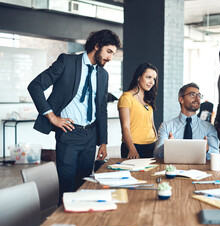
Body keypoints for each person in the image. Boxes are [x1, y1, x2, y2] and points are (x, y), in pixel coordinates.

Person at [28, 29, 121, 202]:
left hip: (90, 136)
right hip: (69, 134)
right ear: (97, 45)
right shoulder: (67, 62)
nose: (110, 58)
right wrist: (52, 116)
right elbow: (35, 86)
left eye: (113, 54)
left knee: (84, 186)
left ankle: (80, 225)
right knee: (67, 188)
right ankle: (61, 225)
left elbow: (101, 109)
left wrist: (103, 141)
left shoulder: (103, 74)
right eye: (108, 52)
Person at [153, 82, 219, 159]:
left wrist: (207, 149)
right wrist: (168, 146)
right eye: (192, 95)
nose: (197, 98)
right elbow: (156, 154)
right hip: (174, 169)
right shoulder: (166, 126)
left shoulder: (209, 128)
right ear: (181, 100)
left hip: (200, 170)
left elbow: (216, 154)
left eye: (199, 95)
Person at [118, 63, 158, 159]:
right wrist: (132, 148)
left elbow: (152, 124)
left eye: (154, 79)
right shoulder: (126, 97)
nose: (152, 82)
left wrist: (157, 143)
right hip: (133, 146)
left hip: (151, 145)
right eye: (148, 77)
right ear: (139, 77)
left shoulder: (148, 99)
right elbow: (125, 127)